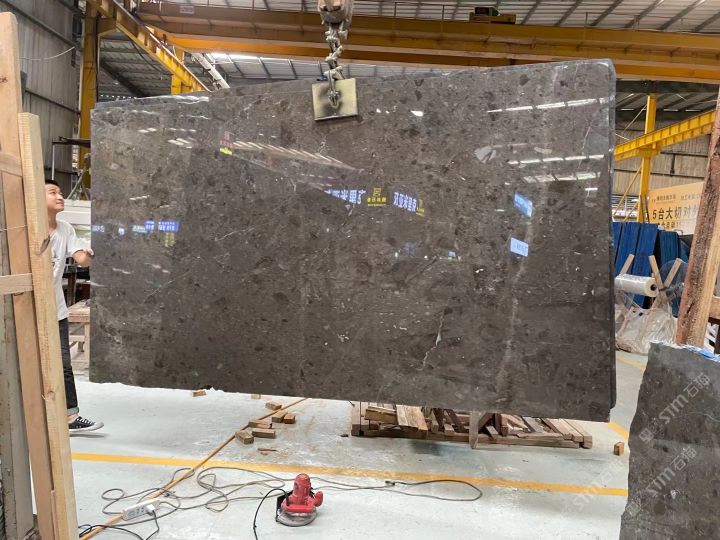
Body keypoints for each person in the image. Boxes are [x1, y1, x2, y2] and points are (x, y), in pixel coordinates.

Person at [45, 179, 104, 433]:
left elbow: (81, 259)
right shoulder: (27, 229)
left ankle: (71, 417)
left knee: (64, 364)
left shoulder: (65, 229)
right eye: (53, 192)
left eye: (60, 192)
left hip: (56, 310)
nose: (60, 196)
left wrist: (88, 254)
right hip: (27, 309)